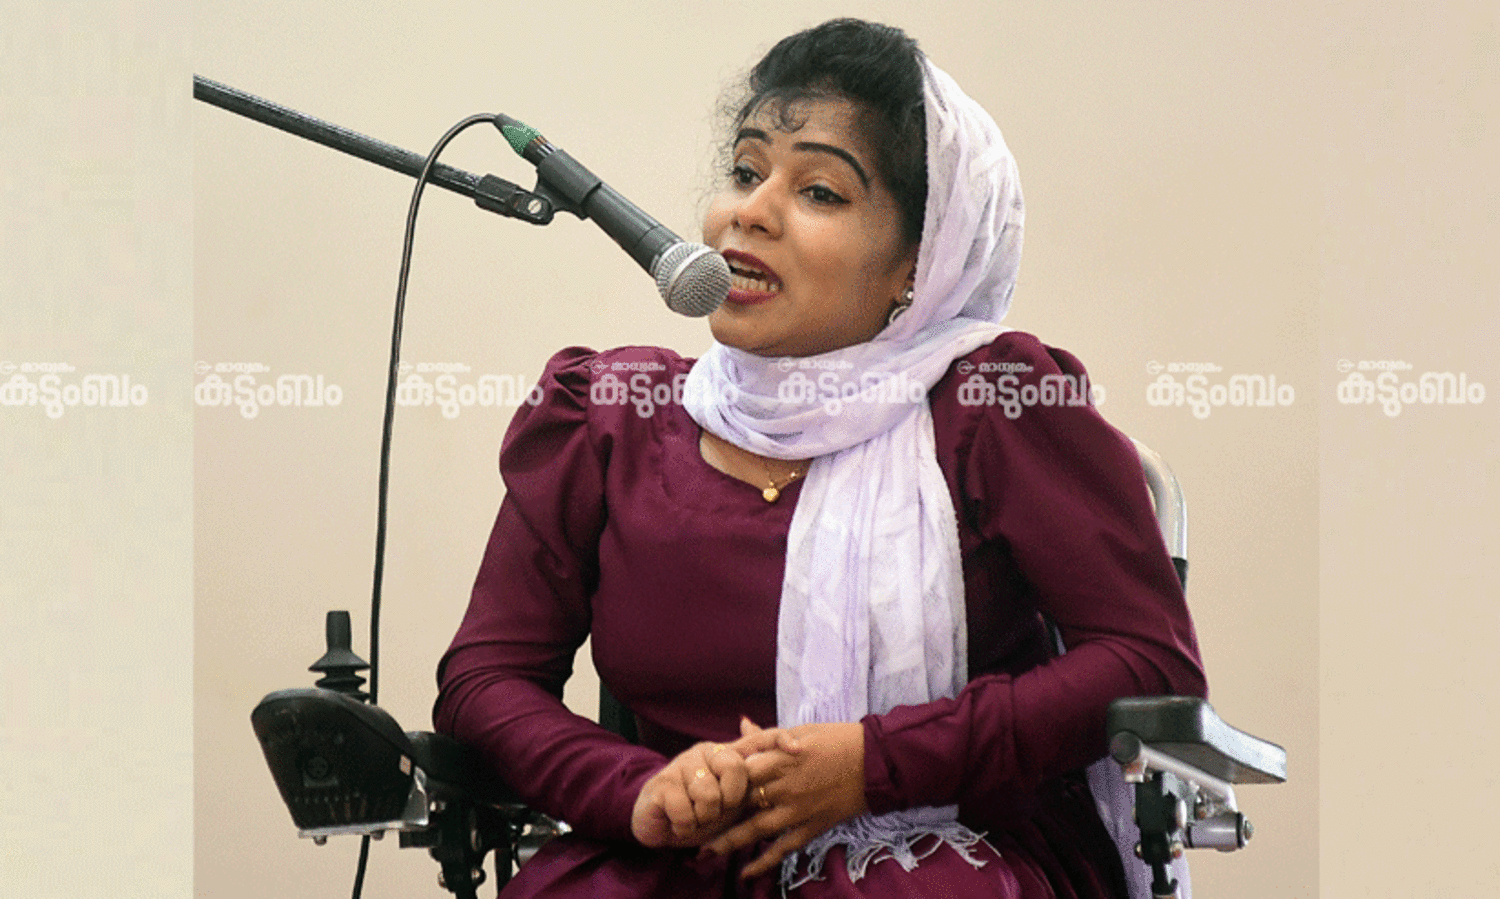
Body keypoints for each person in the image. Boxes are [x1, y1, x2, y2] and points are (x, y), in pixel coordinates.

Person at [435, 18, 1206, 898]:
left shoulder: (996, 407)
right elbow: (485, 678)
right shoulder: (612, 415)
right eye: (745, 171)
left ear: (917, 262)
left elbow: (1149, 663)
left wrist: (875, 764)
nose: (750, 211)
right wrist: (635, 787)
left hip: (941, 850)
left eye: (820, 192)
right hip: (675, 861)